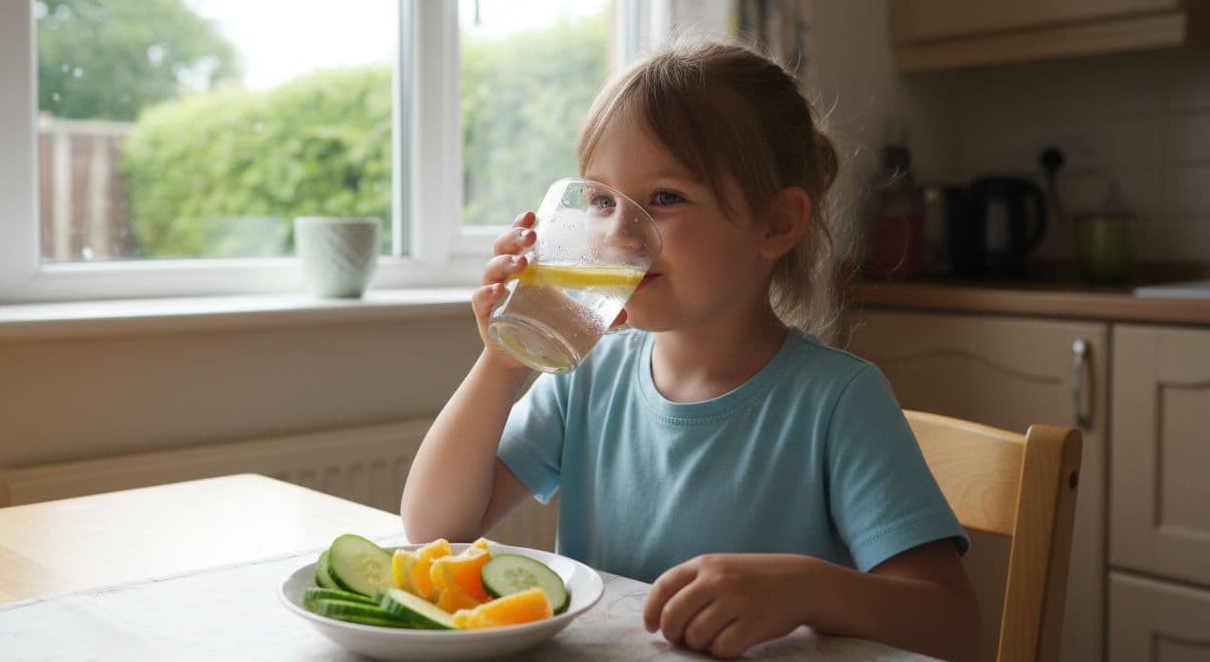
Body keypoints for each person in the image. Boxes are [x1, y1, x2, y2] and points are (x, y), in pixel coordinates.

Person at [401, 39, 981, 660]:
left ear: (777, 224)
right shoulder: (588, 374)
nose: (621, 232)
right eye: (601, 200)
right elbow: (434, 528)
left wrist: (807, 589)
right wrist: (502, 363)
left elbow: (954, 625)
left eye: (665, 198)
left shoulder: (838, 400)